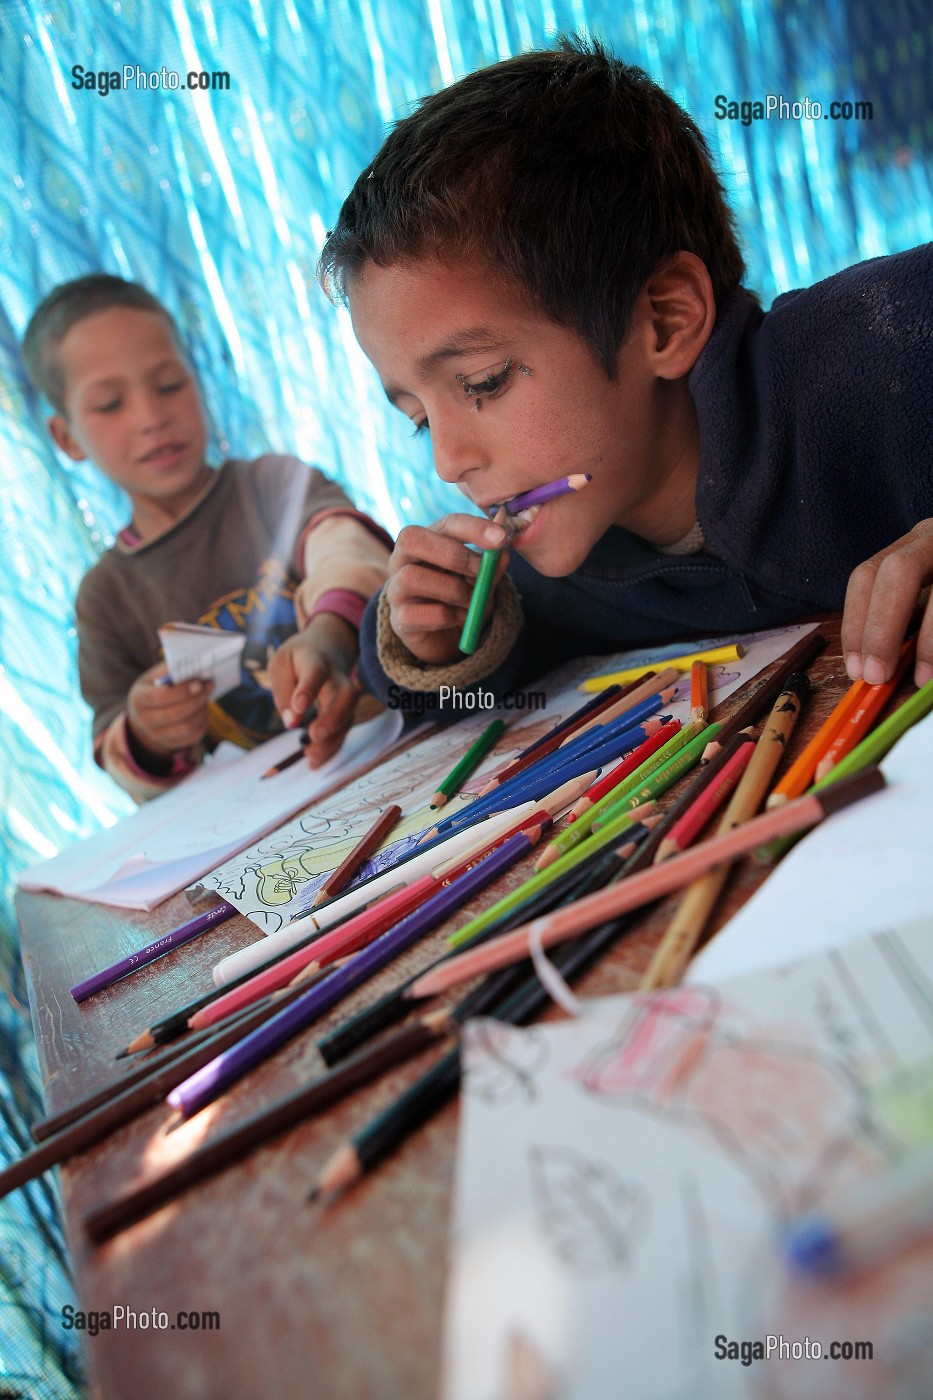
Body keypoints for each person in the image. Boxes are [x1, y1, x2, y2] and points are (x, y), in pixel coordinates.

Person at [316, 38, 933, 718]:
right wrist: (433, 641)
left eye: (484, 382)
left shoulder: (879, 341)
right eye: (419, 420)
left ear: (664, 322)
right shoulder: (563, 567)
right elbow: (448, 681)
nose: (447, 460)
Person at [22, 274, 392, 800]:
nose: (152, 417)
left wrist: (328, 637)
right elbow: (115, 750)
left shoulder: (273, 486)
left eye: (169, 384)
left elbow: (348, 552)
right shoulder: (105, 599)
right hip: (255, 823)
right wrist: (148, 731)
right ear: (66, 438)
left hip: (382, 755)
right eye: (109, 404)